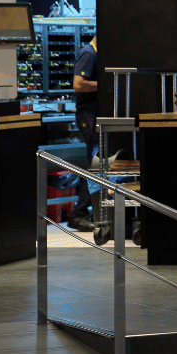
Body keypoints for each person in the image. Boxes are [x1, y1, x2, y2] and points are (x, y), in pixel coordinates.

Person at [69, 35, 99, 234]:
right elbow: (78, 84)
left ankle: (88, 213)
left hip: (94, 115)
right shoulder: (89, 53)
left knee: (96, 164)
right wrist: (103, 84)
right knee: (96, 164)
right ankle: (78, 214)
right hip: (88, 116)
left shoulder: (95, 53)